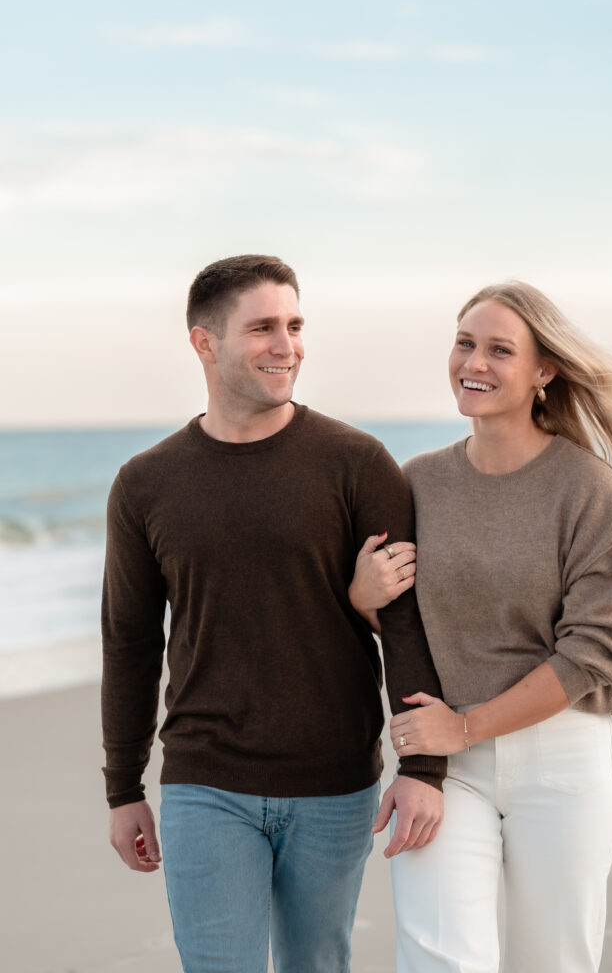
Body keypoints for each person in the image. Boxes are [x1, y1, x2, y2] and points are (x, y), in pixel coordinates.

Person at [101, 254, 446, 973]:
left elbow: (406, 622)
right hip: (204, 783)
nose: (285, 345)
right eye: (261, 328)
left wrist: (423, 766)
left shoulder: (357, 463)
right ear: (203, 342)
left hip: (336, 783)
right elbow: (131, 643)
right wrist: (123, 788)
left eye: (293, 324)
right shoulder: (145, 484)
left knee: (316, 966)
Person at [349, 280, 612, 972]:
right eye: (465, 343)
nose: (473, 362)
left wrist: (467, 725)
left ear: (543, 371)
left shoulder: (587, 488)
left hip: (558, 763)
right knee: (440, 958)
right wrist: (360, 596)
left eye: (500, 349)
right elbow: (406, 621)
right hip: (450, 767)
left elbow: (597, 650)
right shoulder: (416, 482)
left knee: (553, 961)